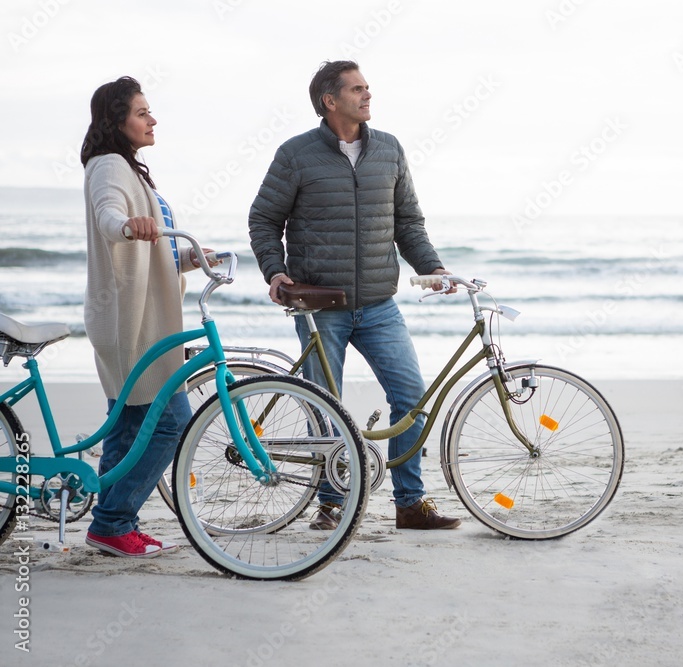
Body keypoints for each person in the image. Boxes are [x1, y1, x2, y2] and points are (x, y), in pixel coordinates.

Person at [249, 60, 461, 531]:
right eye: (357, 89)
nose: (368, 95)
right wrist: (275, 272)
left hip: (380, 304)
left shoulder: (389, 149)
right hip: (320, 305)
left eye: (367, 88)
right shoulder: (296, 154)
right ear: (330, 101)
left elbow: (408, 222)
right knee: (326, 406)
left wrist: (432, 267)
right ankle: (329, 504)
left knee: (410, 396)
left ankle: (410, 503)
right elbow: (264, 219)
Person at [81, 76, 207, 557]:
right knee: (171, 419)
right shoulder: (109, 166)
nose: (152, 120)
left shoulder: (129, 168)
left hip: (138, 318)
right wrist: (127, 225)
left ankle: (108, 524)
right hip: (131, 322)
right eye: (141, 113)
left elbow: (153, 252)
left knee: (128, 425)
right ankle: (114, 521)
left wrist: (193, 256)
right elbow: (108, 216)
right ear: (117, 121)